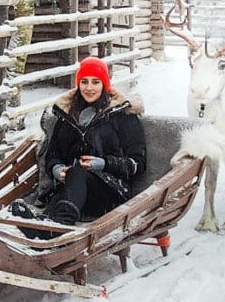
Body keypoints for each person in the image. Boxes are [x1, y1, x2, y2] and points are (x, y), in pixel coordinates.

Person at [11, 56, 147, 232]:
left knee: (77, 173)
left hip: (111, 194)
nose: (89, 88)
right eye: (84, 82)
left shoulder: (122, 115)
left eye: (96, 82)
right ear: (78, 84)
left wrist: (105, 163)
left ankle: (58, 225)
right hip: (73, 189)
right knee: (71, 178)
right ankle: (44, 227)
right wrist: (57, 169)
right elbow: (53, 154)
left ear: (105, 84)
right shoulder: (67, 116)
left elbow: (139, 163)